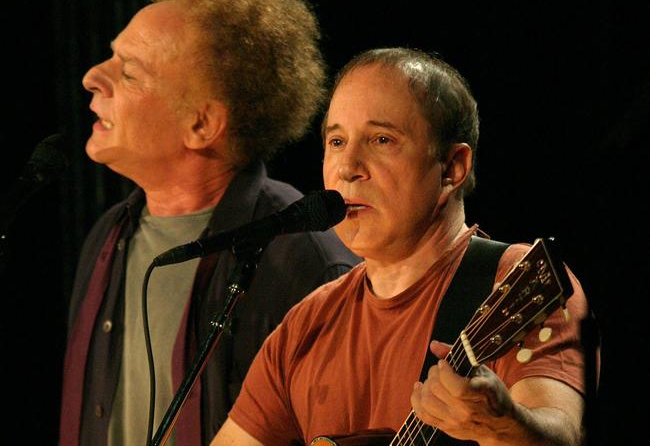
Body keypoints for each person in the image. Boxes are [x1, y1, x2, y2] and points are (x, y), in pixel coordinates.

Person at [210, 47, 594, 446]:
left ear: (452, 168)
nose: (348, 167)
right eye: (337, 141)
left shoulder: (516, 281)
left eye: (381, 139)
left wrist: (505, 425)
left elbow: (560, 431)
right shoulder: (306, 324)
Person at [59, 0, 361, 446]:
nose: (93, 77)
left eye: (129, 72)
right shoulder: (109, 234)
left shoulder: (303, 259)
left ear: (201, 125)